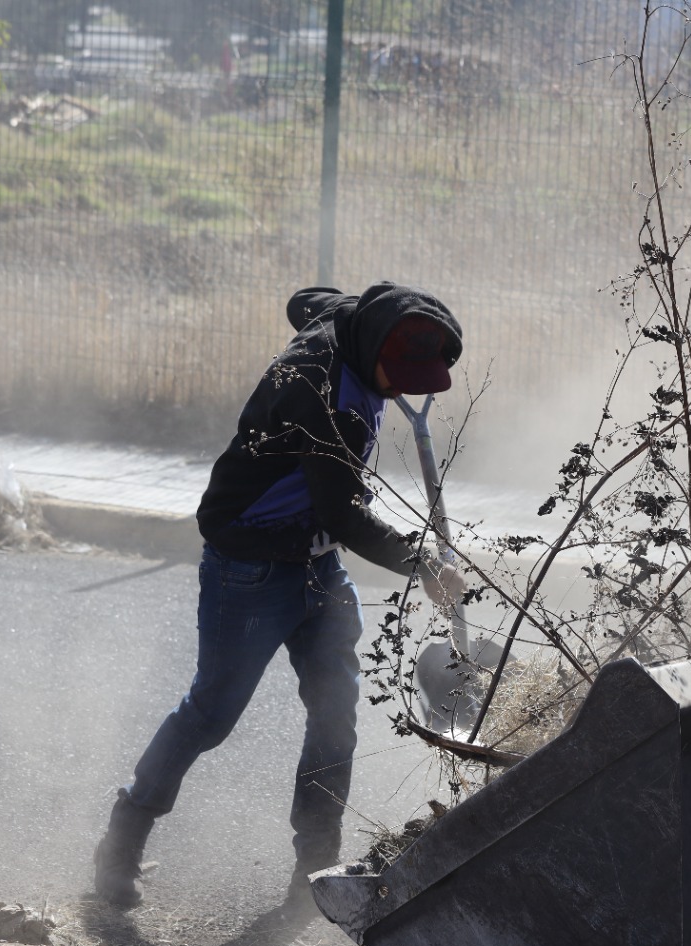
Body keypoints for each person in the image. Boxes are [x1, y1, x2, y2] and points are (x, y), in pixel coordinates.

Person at [92, 282, 468, 912]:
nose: (402, 390)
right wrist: (423, 565)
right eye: (397, 375)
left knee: (335, 716)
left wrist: (337, 309)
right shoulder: (318, 396)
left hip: (317, 561)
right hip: (252, 565)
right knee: (210, 715)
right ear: (370, 348)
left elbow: (310, 300)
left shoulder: (351, 328)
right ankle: (122, 839)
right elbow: (345, 515)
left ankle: (316, 873)